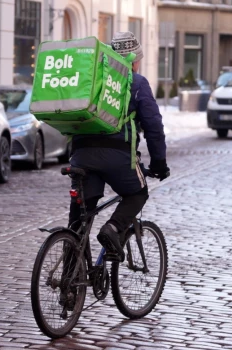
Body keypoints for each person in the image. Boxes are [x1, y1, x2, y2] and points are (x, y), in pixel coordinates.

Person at [68, 31, 170, 262]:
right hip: (118, 156)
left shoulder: (91, 78)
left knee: (78, 222)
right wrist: (159, 163)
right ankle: (113, 229)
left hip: (81, 155)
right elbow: (154, 127)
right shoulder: (137, 82)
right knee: (137, 193)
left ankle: (69, 286)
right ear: (134, 60)